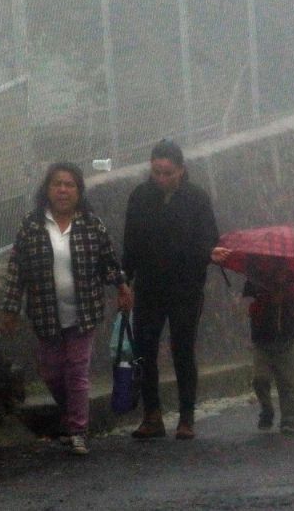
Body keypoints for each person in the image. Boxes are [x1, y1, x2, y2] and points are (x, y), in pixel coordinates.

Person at [0, 162, 133, 455]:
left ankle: (78, 430)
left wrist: (121, 285)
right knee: (52, 372)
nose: (62, 190)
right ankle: (72, 415)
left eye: (69, 184)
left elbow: (108, 262)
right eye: (57, 184)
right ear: (46, 190)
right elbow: (16, 270)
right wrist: (10, 308)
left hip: (83, 312)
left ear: (78, 191)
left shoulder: (90, 224)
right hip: (46, 313)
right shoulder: (31, 226)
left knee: (77, 370)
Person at [123, 140, 219, 440]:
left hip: (185, 289)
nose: (161, 179)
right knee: (145, 351)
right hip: (149, 287)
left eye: (168, 173)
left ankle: (186, 418)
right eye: (156, 172)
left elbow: (209, 241)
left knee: (182, 350)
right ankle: (152, 416)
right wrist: (124, 281)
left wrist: (200, 258)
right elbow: (131, 243)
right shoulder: (140, 197)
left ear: (181, 170)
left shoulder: (196, 199)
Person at [211, 250, 294, 436]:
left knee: (288, 382)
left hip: (285, 340)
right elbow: (247, 305)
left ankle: (288, 420)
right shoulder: (257, 283)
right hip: (262, 341)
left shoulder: (292, 285)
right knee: (260, 379)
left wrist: (284, 294)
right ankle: (267, 408)